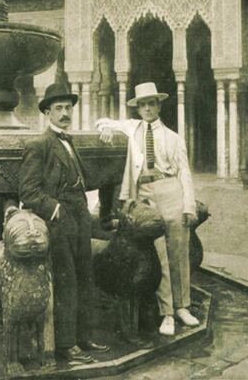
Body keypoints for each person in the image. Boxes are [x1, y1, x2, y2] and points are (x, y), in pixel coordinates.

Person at [96, 82, 199, 336]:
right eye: (142, 104)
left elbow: (184, 172)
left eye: (151, 103)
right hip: (145, 194)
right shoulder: (132, 129)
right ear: (138, 109)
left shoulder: (174, 138)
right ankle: (166, 313)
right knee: (160, 253)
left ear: (158, 105)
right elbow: (102, 120)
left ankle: (182, 306)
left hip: (170, 190)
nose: (147, 108)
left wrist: (188, 205)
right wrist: (106, 128)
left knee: (179, 249)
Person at [18, 83, 110, 365]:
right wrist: (55, 209)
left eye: (68, 107)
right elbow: (28, 191)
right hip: (59, 223)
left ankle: (84, 337)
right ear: (47, 112)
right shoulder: (40, 145)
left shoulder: (71, 143)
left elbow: (84, 179)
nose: (65, 112)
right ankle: (66, 345)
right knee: (66, 282)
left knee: (85, 277)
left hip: (80, 217)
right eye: (58, 108)